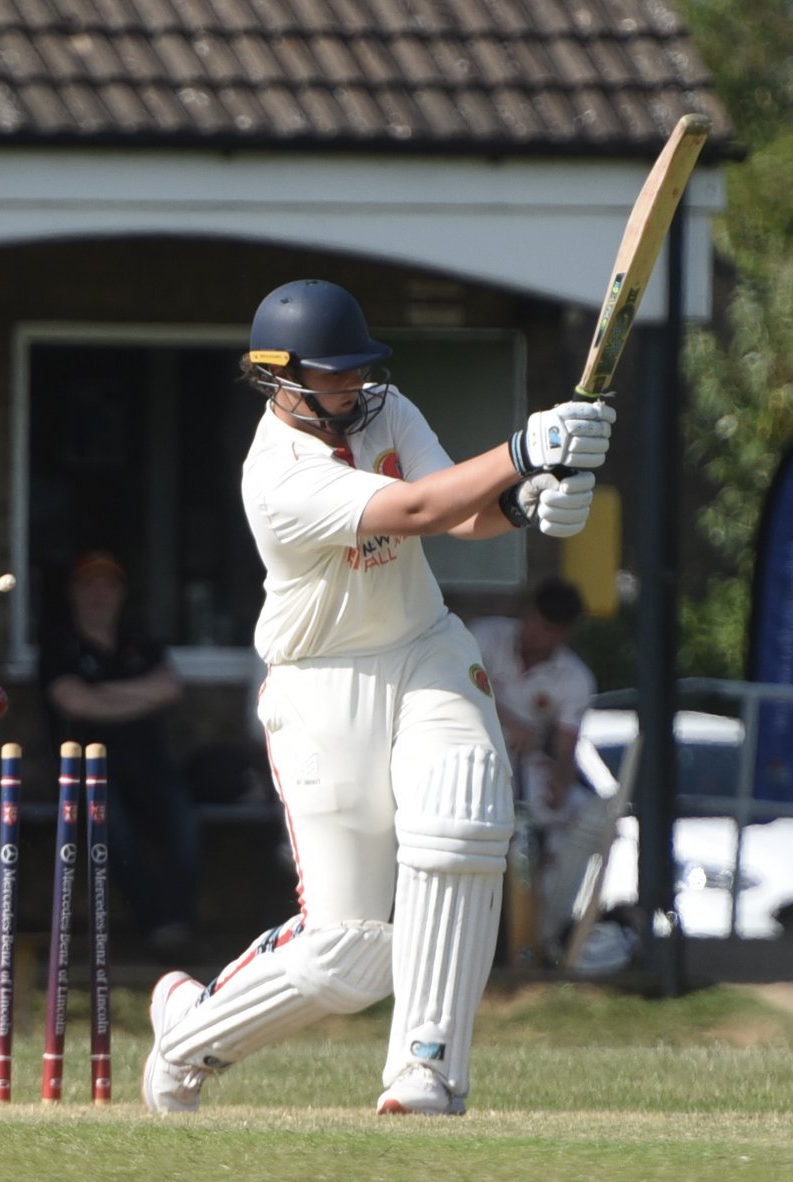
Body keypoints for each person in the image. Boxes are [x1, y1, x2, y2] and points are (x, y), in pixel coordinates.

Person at [142, 277, 614, 1117]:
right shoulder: (277, 476)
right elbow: (416, 506)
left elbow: (463, 518)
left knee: (465, 813)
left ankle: (423, 1071)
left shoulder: (383, 406)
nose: (353, 389)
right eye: (334, 376)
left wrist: (528, 500)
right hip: (321, 687)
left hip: (424, 648)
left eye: (358, 371)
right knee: (348, 958)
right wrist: (521, 450)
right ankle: (188, 1033)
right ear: (278, 380)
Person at [38, 550, 201, 961]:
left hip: (148, 762)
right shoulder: (59, 644)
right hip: (87, 771)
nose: (99, 593)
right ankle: (155, 926)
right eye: (88, 584)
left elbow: (171, 688)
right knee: (113, 830)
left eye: (107, 584)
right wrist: (138, 694)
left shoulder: (137, 640)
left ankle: (179, 924)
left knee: (185, 822)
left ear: (121, 592)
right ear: (73, 592)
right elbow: (73, 702)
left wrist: (103, 691)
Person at [470, 579, 618, 961]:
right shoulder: (484, 637)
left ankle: (543, 938)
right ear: (527, 614)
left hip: (524, 770)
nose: (538, 635)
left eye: (550, 630)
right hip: (468, 761)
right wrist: (509, 720)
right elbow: (456, 686)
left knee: (594, 819)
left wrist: (561, 782)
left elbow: (566, 743)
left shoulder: (575, 677)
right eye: (536, 623)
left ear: (565, 633)